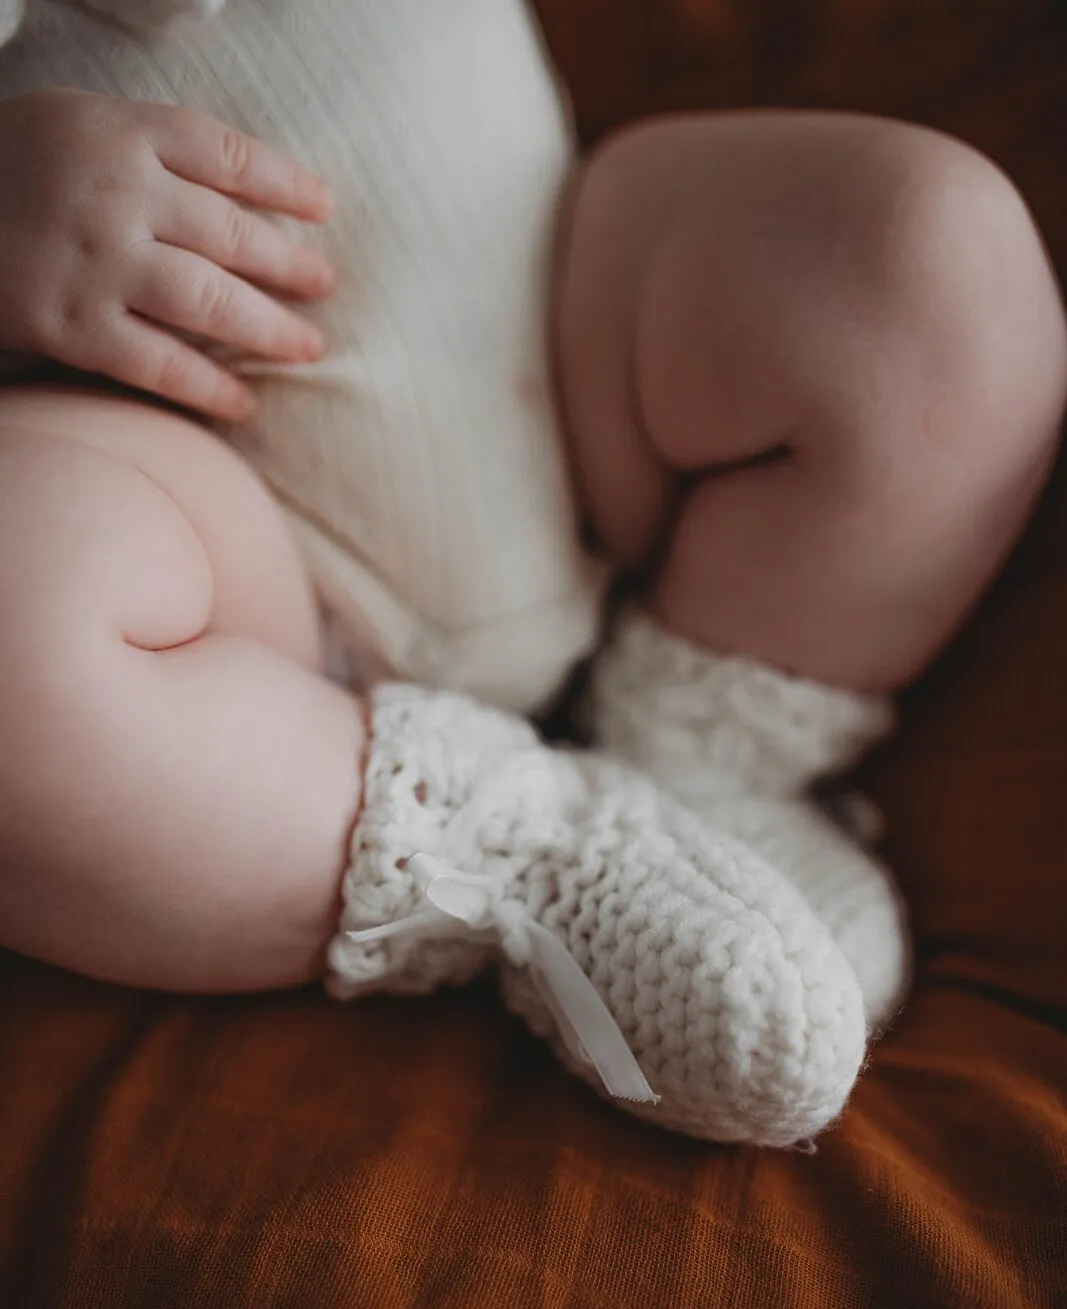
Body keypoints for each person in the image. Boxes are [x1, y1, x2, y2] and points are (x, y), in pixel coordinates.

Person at [0, 0, 1063, 1146]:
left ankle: (711, 752)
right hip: (222, 556)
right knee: (21, 627)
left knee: (933, 253)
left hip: (559, 331)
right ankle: (527, 863)